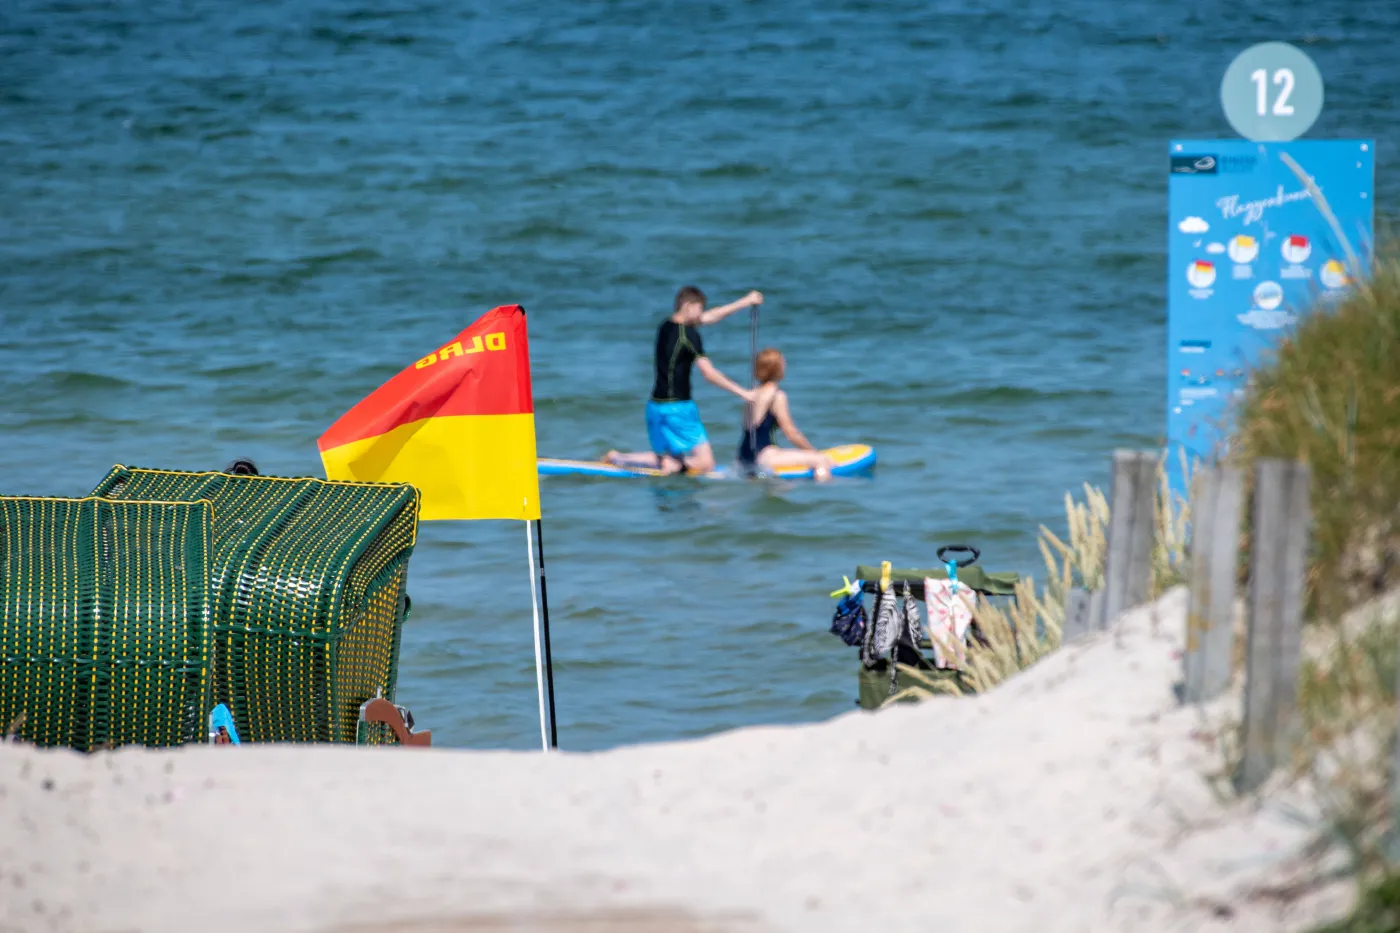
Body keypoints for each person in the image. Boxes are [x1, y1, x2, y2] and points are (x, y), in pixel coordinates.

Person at [606, 285, 762, 474]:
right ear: (687, 305)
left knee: (666, 457)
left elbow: (709, 317)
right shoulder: (689, 336)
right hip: (678, 409)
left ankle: (619, 458)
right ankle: (674, 466)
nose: (701, 314)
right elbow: (709, 374)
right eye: (699, 308)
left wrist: (745, 302)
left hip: (655, 408)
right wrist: (743, 393)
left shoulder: (666, 326)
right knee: (706, 464)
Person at [738, 348, 835, 481]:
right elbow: (791, 433)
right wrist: (814, 452)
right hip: (763, 456)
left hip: (743, 457)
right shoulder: (777, 396)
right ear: (777, 369)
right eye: (783, 363)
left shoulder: (752, 394)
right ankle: (825, 496)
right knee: (821, 460)